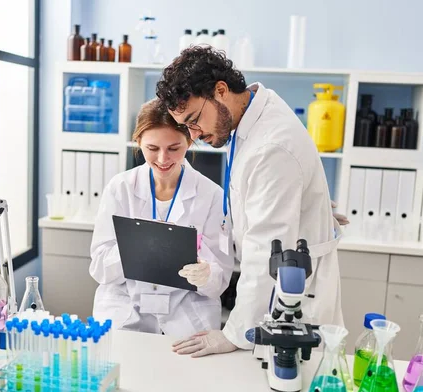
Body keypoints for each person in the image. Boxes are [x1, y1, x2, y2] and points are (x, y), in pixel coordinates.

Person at [156, 46, 344, 357]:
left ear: (221, 90)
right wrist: (311, 203)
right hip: (281, 281)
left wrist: (234, 333)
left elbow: (264, 250)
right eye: (186, 126)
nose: (194, 133)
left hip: (292, 293)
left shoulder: (271, 145)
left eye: (194, 120)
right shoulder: (250, 116)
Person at [89, 98, 233, 337]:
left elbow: (220, 279)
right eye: (152, 149)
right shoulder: (120, 188)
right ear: (138, 142)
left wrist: (206, 274)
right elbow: (99, 268)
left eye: (174, 148)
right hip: (126, 313)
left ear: (190, 140)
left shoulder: (212, 195)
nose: (163, 159)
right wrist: (136, 246)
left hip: (186, 318)